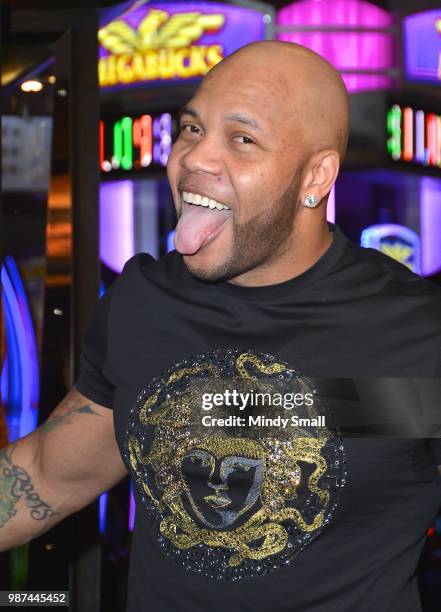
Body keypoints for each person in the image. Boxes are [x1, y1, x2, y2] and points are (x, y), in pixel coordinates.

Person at [1, 41, 441, 612]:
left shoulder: (416, 331)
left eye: (243, 139)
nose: (195, 159)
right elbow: (47, 478)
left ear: (317, 175)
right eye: (190, 129)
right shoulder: (144, 305)